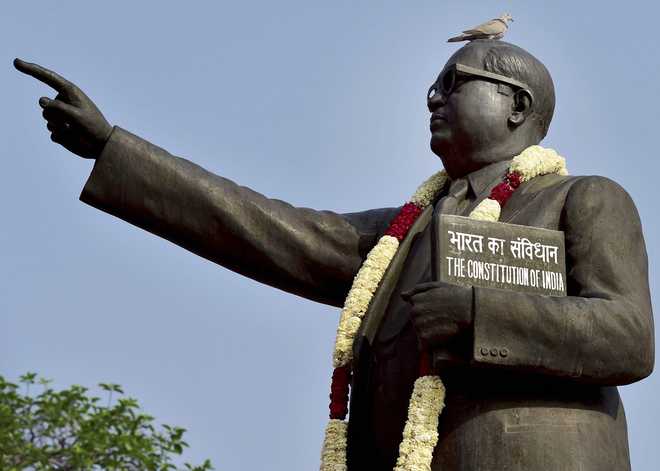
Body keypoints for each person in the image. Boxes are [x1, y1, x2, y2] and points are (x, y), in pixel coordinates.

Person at [14, 39, 653, 471]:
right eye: (431, 88)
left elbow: (629, 337)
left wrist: (481, 316)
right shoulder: (401, 237)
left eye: (453, 84)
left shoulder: (583, 199)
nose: (431, 99)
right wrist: (113, 150)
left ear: (518, 105)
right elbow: (264, 228)